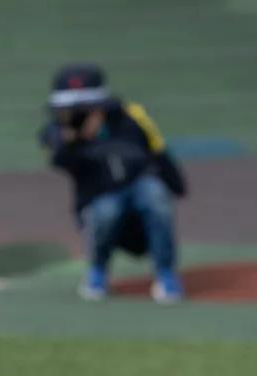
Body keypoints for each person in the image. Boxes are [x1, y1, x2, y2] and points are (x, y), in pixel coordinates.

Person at [39, 63, 188, 304]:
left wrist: (175, 184)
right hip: (97, 193)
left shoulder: (129, 116)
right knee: (106, 211)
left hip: (138, 183)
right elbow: (59, 160)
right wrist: (72, 138)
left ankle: (165, 274)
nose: (80, 113)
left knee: (155, 196)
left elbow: (156, 148)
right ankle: (97, 271)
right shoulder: (58, 131)